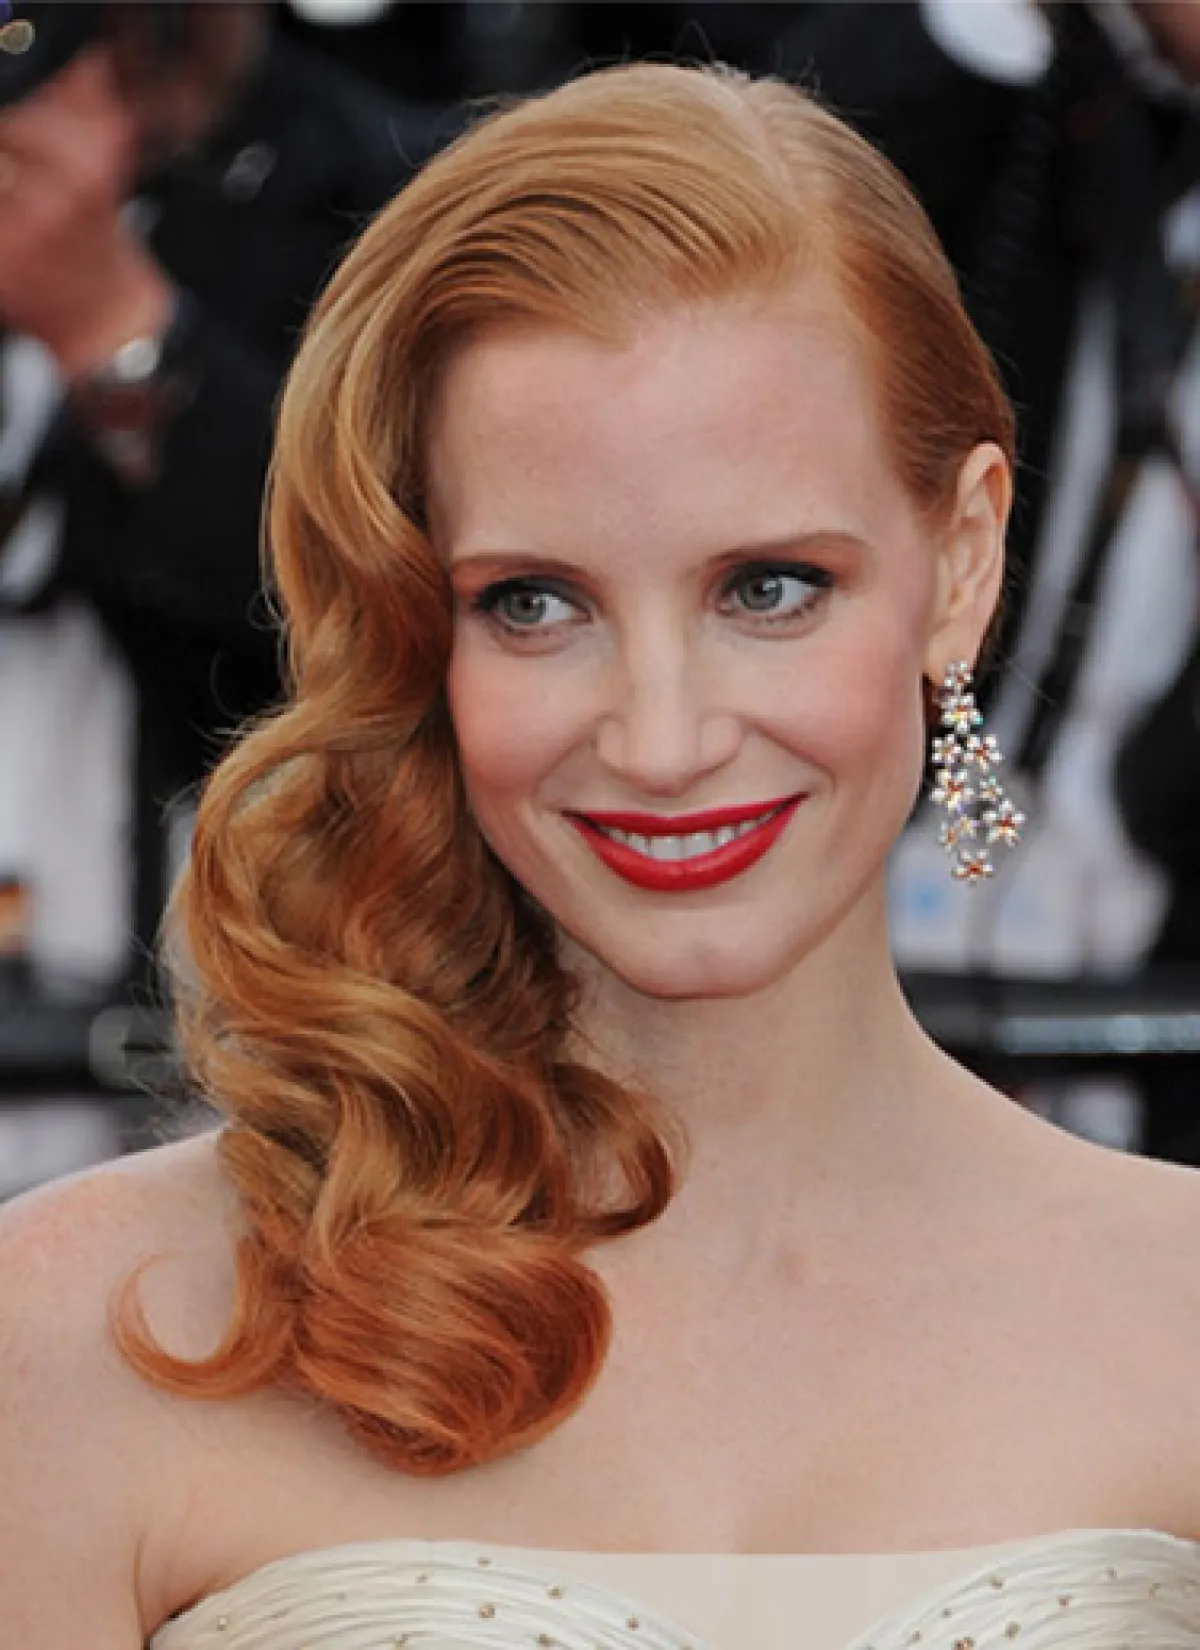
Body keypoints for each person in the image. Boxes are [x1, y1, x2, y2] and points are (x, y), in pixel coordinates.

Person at [4, 58, 1200, 1650]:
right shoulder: (86, 1327)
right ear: (417, 625)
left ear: (962, 563)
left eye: (768, 588)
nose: (660, 736)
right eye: (535, 603)